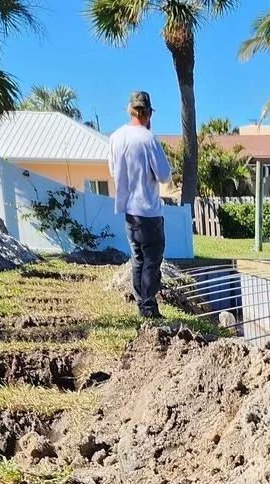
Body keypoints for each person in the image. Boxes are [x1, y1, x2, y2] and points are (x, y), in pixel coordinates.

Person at [109, 90, 172, 319]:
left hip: (128, 210)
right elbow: (165, 175)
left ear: (130, 110)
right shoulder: (148, 139)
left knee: (138, 259)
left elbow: (112, 170)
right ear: (147, 113)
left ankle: (142, 304)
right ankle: (148, 307)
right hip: (148, 211)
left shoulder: (116, 137)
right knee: (152, 261)